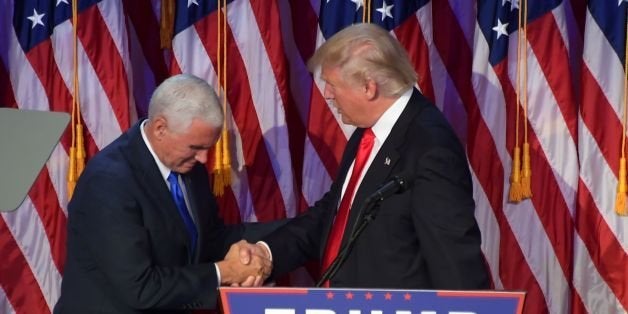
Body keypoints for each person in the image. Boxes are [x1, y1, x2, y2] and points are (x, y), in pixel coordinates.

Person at [250, 23, 490, 289]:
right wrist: (268, 252)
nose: (327, 94)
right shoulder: (369, 130)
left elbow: (453, 258)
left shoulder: (430, 148)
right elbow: (339, 211)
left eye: (332, 84)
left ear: (369, 87)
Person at [54, 74, 274, 314]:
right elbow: (141, 288)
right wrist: (226, 271)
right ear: (160, 128)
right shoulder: (109, 182)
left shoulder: (186, 166)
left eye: (207, 148)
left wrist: (285, 238)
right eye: (196, 148)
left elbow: (209, 240)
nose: (203, 159)